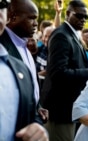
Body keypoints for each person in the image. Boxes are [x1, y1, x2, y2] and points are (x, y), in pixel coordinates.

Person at [41, 1, 88, 141]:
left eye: (86, 17)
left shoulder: (72, 35)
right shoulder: (61, 35)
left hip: (68, 108)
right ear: (68, 14)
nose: (83, 20)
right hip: (59, 110)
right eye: (79, 16)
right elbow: (58, 73)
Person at [0, 0, 48, 140]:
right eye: (31, 18)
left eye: (1, 5)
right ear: (13, 17)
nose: (35, 24)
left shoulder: (22, 50)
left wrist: (35, 109)